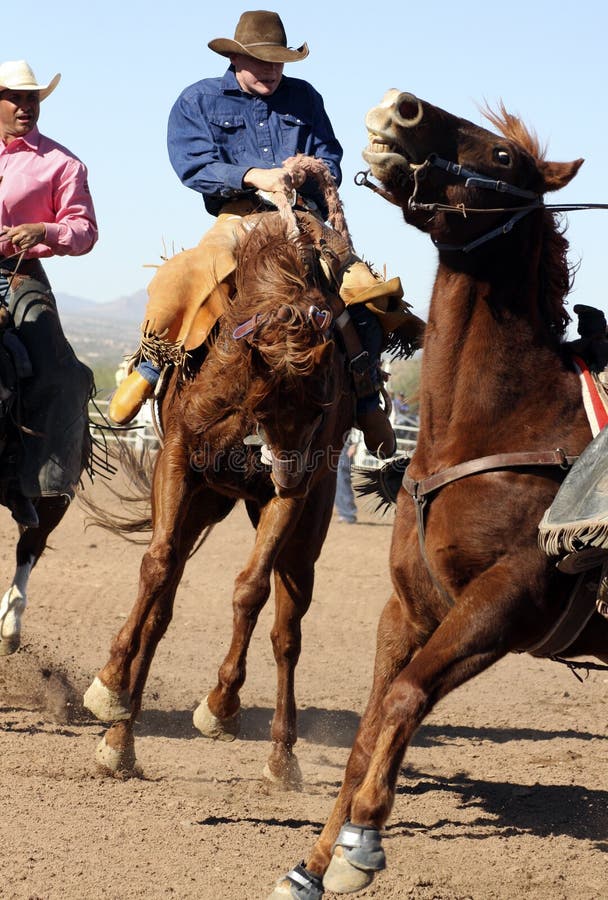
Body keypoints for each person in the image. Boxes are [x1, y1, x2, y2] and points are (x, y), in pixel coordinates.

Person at [109, 10, 424, 457]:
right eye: (262, 62)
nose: (273, 72)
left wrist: (305, 175)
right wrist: (256, 176)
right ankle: (150, 368)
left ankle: (368, 395)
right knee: (181, 276)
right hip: (237, 219)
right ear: (236, 59)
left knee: (367, 293)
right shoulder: (197, 101)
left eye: (279, 63)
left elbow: (328, 157)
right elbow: (194, 165)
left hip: (303, 220)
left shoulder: (306, 99)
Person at [0, 60, 97, 527]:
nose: (25, 106)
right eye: (15, 97)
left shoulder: (62, 163)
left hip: (18, 272)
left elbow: (84, 231)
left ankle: (33, 482)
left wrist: (44, 229)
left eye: (32, 98)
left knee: (62, 374)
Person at [334, 431, 358, 524]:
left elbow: (356, 425)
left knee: (342, 479)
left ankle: (348, 513)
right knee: (336, 480)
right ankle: (344, 512)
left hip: (345, 445)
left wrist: (354, 444)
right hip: (333, 443)